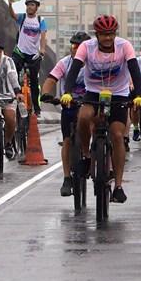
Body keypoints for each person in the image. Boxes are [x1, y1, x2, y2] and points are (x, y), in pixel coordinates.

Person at [61, 15, 141, 204]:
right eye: (104, 35)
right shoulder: (86, 47)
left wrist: (138, 94)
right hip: (93, 92)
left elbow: (134, 71)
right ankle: (87, 154)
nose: (108, 38)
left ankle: (118, 186)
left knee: (116, 135)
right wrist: (67, 91)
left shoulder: (125, 46)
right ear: (96, 35)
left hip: (119, 93)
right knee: (83, 117)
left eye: (111, 34)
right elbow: (74, 70)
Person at [41, 31, 90, 196]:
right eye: (74, 46)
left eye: (80, 47)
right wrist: (46, 93)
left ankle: (92, 155)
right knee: (67, 140)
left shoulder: (94, 63)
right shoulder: (64, 63)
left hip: (89, 104)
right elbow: (51, 79)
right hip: (68, 105)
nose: (76, 49)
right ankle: (67, 177)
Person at [8, 0, 47, 116]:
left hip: (33, 54)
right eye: (28, 5)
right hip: (20, 51)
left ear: (36, 7)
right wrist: (10, 4)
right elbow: (13, 15)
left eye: (32, 5)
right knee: (12, 72)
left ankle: (37, 107)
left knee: (34, 81)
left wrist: (42, 49)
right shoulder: (23, 18)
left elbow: (43, 36)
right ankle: (12, 96)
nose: (30, 7)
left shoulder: (40, 20)